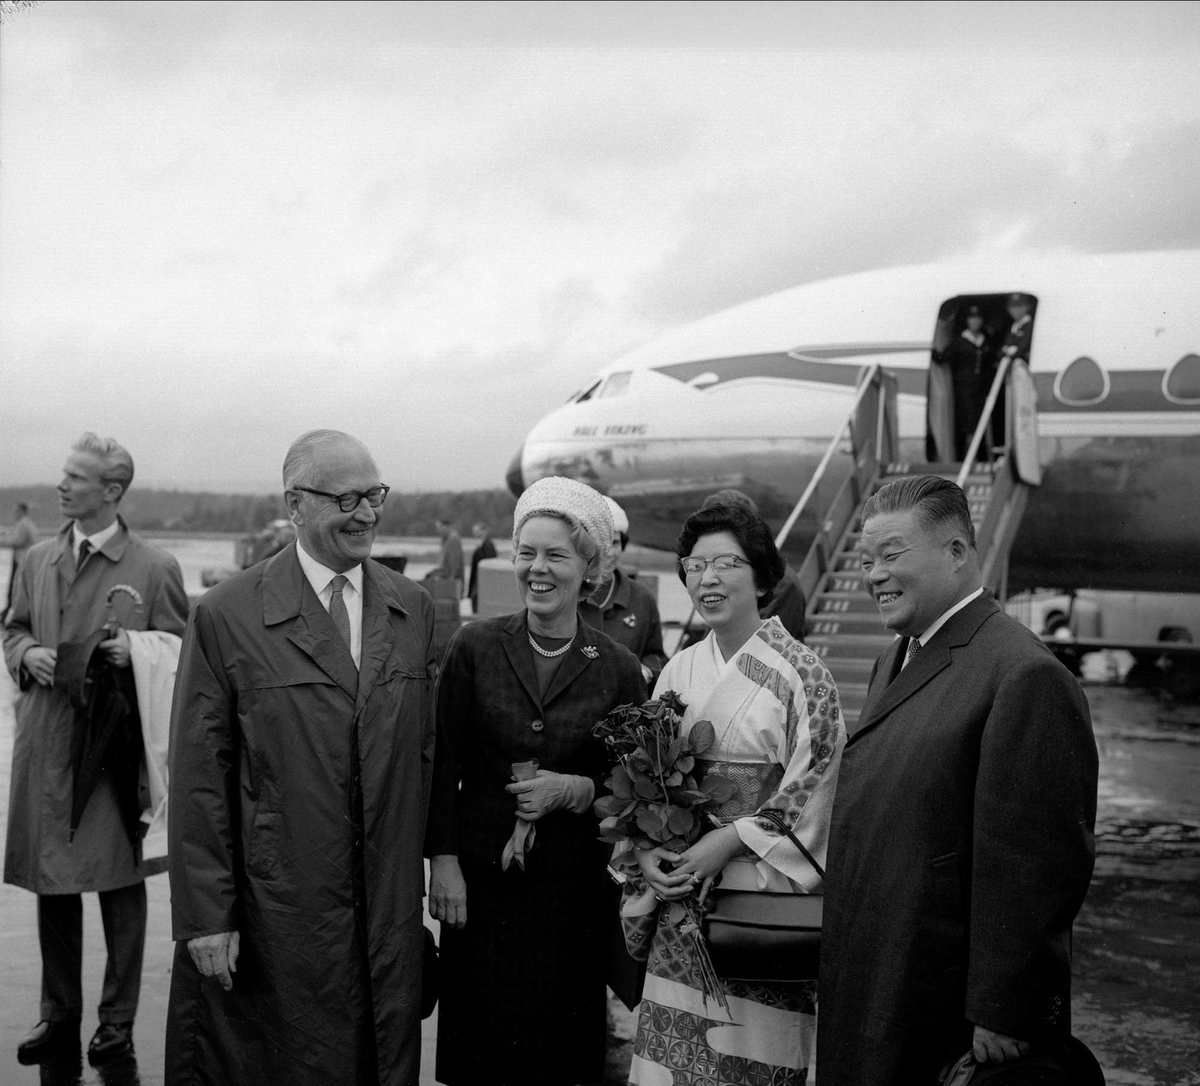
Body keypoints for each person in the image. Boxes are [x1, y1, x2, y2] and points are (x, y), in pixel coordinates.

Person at [164, 429, 437, 1086]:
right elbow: (200, 776)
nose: (368, 513)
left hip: (386, 908)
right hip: (277, 912)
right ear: (296, 503)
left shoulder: (414, 609)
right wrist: (206, 917)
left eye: (376, 494)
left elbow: (426, 757)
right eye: (348, 498)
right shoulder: (228, 616)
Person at [818, 475, 1098, 1085]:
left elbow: (1038, 863)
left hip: (942, 1010)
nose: (873, 574)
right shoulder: (894, 657)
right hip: (881, 974)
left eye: (892, 555)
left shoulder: (1023, 674)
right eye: (867, 560)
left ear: (956, 552)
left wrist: (1007, 1010)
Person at [427, 476, 647, 1086]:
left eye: (556, 555)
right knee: (480, 1056)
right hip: (482, 890)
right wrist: (442, 862)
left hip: (572, 896)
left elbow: (631, 794)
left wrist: (575, 791)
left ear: (589, 566)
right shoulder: (474, 647)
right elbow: (443, 763)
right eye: (527, 553)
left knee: (561, 1058)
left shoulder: (620, 670)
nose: (537, 569)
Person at [628, 500, 844, 1086]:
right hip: (682, 891)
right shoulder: (678, 671)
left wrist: (730, 842)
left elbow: (815, 783)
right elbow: (648, 782)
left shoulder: (805, 675)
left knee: (756, 1055)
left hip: (759, 900)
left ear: (762, 575)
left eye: (726, 564)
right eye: (694, 567)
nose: (708, 579)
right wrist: (647, 850)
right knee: (672, 1062)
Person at [4, 433, 188, 1071]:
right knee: (51, 882)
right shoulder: (34, 559)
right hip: (46, 744)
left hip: (115, 754)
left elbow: (181, 650)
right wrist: (27, 653)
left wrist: (133, 650)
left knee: (119, 884)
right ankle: (59, 1017)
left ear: (111, 491)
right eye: (63, 474)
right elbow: (13, 627)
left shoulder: (154, 567)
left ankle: (117, 1026)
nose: (61, 485)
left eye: (75, 477)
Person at [578, 496, 666, 686]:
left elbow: (656, 654)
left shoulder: (642, 599)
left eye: (615, 543)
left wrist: (647, 671)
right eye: (600, 541)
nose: (608, 552)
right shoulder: (565, 595)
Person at [941, 304, 994, 459]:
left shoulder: (986, 339)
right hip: (963, 389)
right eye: (972, 318)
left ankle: (982, 457)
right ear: (967, 321)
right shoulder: (960, 341)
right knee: (965, 424)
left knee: (981, 422)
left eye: (978, 318)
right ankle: (962, 458)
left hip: (980, 389)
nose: (975, 322)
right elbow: (944, 357)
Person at [4, 500, 38, 616]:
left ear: (23, 511)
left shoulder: (23, 524)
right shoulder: (27, 523)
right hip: (23, 558)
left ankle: (12, 611)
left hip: (21, 559)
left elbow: (19, 541)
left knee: (16, 585)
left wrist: (3, 541)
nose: (15, 513)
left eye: (17, 511)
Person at [466, 520, 497, 613]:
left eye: (477, 530)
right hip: (478, 582)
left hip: (482, 584)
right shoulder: (481, 544)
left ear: (484, 531)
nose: (474, 533)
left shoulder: (488, 546)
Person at [434, 516, 465, 599]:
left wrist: (451, 582)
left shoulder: (453, 539)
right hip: (445, 580)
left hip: (450, 581)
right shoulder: (446, 539)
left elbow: (454, 563)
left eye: (439, 527)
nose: (438, 530)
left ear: (446, 526)